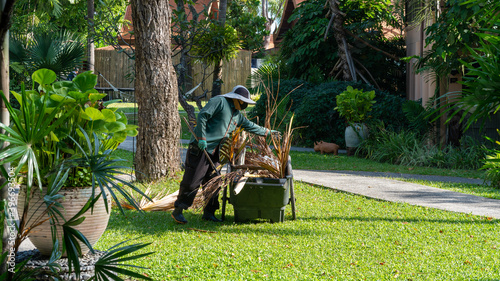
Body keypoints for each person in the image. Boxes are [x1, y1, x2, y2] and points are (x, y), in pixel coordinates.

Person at [172, 85, 279, 224]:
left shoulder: (237, 115)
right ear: (237, 99)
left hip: (216, 152)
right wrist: (202, 138)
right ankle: (178, 210)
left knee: (214, 182)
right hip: (200, 148)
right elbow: (203, 116)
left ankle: (209, 212)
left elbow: (249, 125)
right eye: (244, 102)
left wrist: (267, 132)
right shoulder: (219, 102)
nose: (245, 105)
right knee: (192, 180)